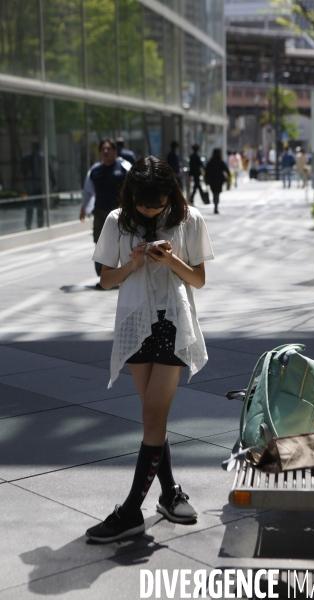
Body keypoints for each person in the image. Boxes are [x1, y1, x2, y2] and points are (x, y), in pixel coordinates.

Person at [85, 156, 214, 542]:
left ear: (170, 196)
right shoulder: (116, 221)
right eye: (144, 204)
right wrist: (134, 263)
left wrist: (172, 259)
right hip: (136, 322)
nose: (151, 211)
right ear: (131, 197)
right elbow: (106, 280)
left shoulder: (189, 220)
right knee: (152, 417)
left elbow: (199, 280)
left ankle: (130, 512)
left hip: (174, 322)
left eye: (158, 204)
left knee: (153, 413)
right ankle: (169, 494)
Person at [79, 138, 131, 285]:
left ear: (115, 152)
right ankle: (103, 278)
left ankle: (121, 275)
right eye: (103, 149)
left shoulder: (124, 168)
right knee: (100, 243)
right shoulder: (95, 171)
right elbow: (88, 192)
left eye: (109, 149)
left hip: (120, 214)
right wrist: (84, 208)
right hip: (101, 213)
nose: (106, 152)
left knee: (123, 243)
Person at [205, 148, 230, 214]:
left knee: (214, 192)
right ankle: (216, 205)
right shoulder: (220, 161)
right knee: (217, 193)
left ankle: (215, 205)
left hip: (212, 180)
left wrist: (206, 180)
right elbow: (226, 170)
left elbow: (207, 171)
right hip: (219, 180)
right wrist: (228, 177)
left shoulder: (210, 162)